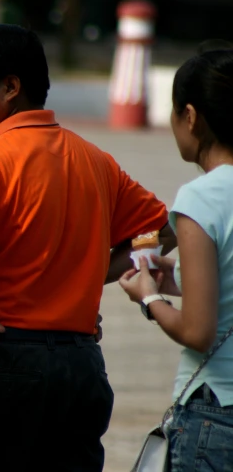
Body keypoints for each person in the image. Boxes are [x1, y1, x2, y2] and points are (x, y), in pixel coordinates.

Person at [0, 23, 177, 472]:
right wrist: (90, 271)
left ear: (10, 87)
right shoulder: (94, 160)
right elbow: (162, 231)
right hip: (79, 366)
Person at [119, 50, 233, 471]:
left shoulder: (201, 196)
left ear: (190, 115)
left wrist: (149, 297)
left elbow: (198, 332)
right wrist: (182, 276)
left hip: (216, 411)